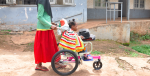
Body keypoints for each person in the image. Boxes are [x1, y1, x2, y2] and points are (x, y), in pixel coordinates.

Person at [34, 0, 64, 71]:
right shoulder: (42, 1)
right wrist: (50, 25)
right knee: (42, 47)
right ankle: (39, 65)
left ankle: (55, 62)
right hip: (43, 29)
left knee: (51, 46)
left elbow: (45, 15)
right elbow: (39, 16)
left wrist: (51, 23)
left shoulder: (45, 1)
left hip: (47, 28)